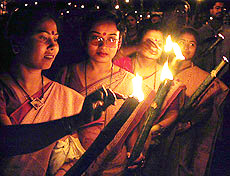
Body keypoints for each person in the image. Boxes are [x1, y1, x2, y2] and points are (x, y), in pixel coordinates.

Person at [56, 10, 185, 176]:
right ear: (84, 38)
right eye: (96, 38)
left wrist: (136, 152)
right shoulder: (67, 74)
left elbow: (132, 126)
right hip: (68, 164)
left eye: (111, 39)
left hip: (112, 166)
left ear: (119, 42)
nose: (103, 46)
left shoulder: (129, 82)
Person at [0, 6, 117, 176]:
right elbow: (7, 141)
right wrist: (73, 122)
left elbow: (69, 155)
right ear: (17, 43)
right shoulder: (4, 89)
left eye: (55, 38)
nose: (53, 45)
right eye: (43, 37)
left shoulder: (65, 97)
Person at [158, 27, 229, 176]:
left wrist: (189, 123)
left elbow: (207, 110)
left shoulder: (203, 77)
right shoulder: (160, 69)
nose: (186, 47)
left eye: (192, 44)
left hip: (181, 138)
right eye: (182, 42)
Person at [197, 0, 230, 86]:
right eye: (217, 8)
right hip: (204, 76)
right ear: (211, 10)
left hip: (224, 77)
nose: (220, 11)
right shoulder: (202, 32)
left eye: (222, 9)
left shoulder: (228, 32)